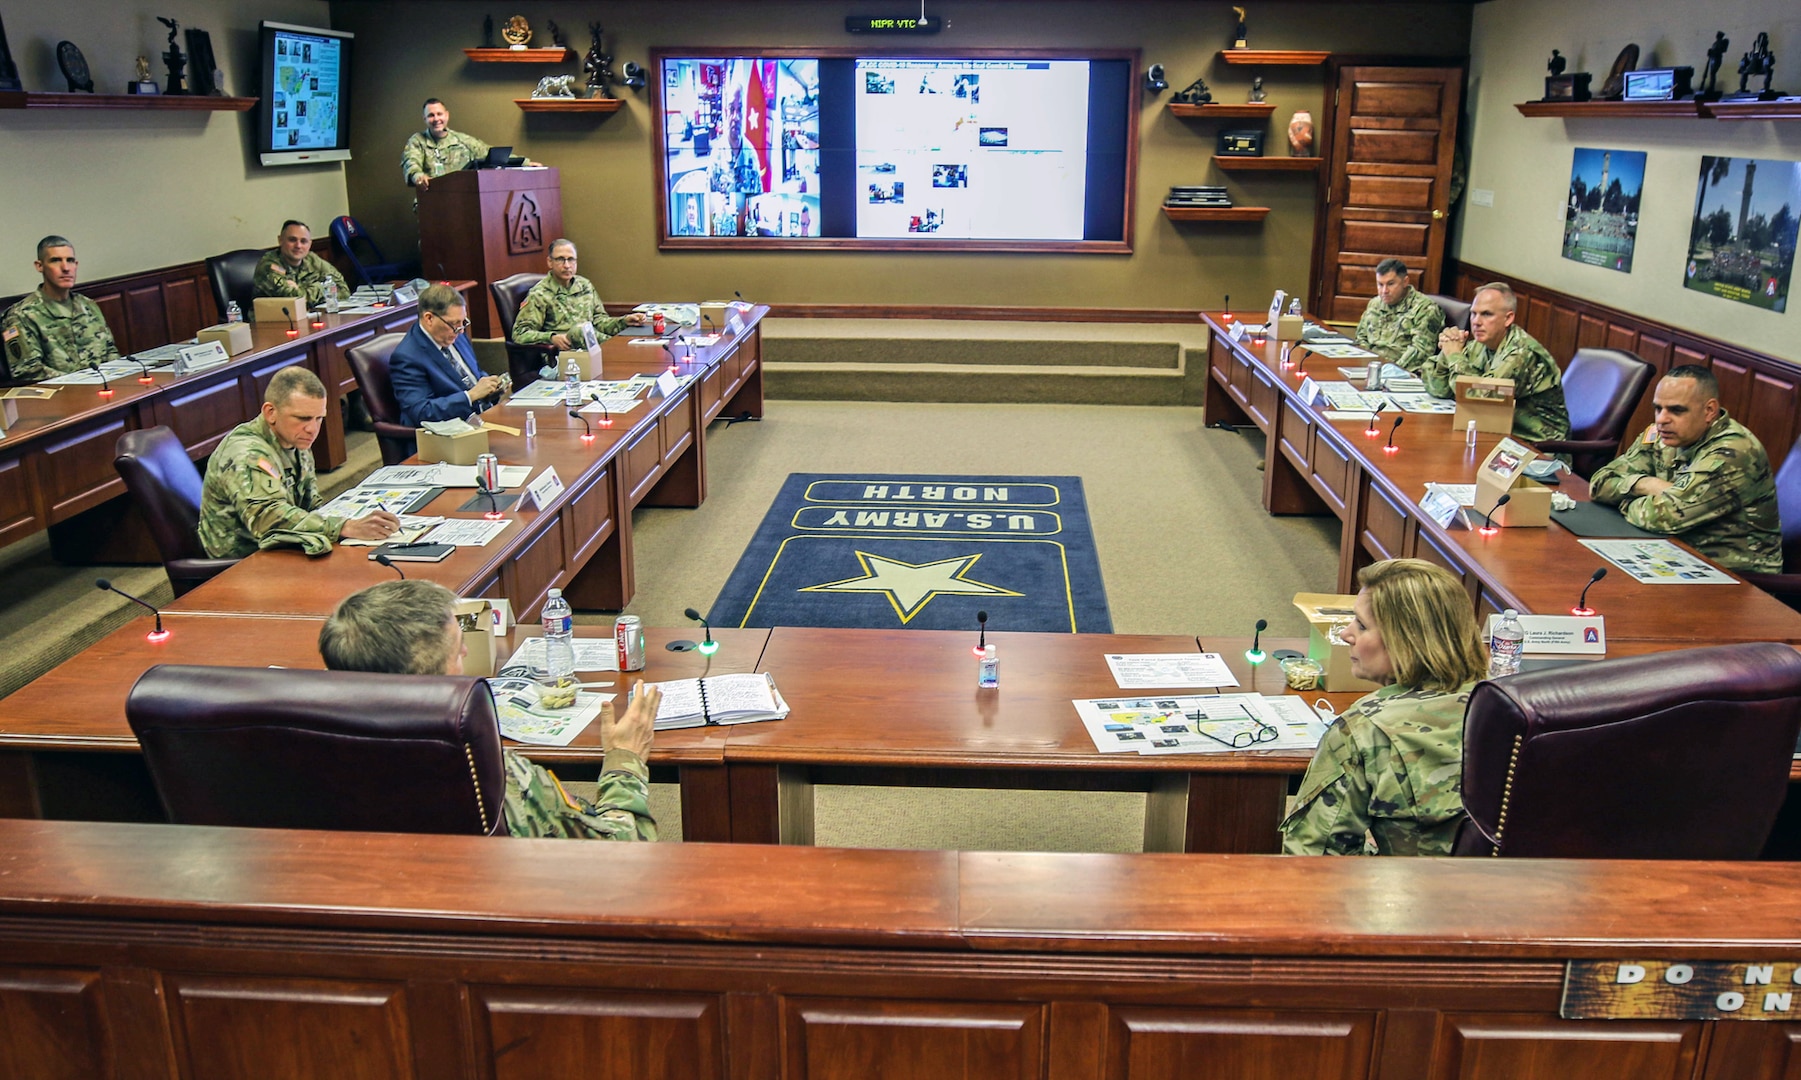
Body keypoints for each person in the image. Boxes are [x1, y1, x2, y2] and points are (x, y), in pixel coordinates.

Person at [318, 579, 661, 840]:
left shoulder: (304, 750)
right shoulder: (490, 774)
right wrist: (624, 761)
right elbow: (619, 852)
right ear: (430, 679)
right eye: (457, 651)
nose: (466, 655)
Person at [1280, 558, 1488, 856]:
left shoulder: (1365, 729)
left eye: (1362, 625)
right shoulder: (1511, 705)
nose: (1345, 634)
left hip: (1406, 897)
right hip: (1521, 890)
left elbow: (1314, 859)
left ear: (1407, 641)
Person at [1589, 365, 1781, 574]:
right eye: (1658, 408)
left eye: (1676, 410)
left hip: (1735, 578)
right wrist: (1646, 484)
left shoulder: (1733, 452)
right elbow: (1600, 483)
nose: (1661, 419)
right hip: (1675, 555)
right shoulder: (1662, 436)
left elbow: (1664, 517)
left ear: (1709, 411)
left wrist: (1623, 501)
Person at [198, 366, 400, 557]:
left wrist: (351, 518)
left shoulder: (294, 438)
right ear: (271, 413)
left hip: (285, 545)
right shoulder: (247, 454)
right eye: (303, 418)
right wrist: (345, 526)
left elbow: (310, 505)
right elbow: (267, 517)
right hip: (244, 562)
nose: (312, 429)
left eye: (318, 418)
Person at [1421, 282, 1570, 444]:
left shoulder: (1522, 354)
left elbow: (1478, 401)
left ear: (1508, 318)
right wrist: (1446, 352)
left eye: (1486, 314)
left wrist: (1455, 355)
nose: (1476, 322)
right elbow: (1437, 389)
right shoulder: (1480, 344)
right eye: (1473, 314)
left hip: (1536, 448)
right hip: (1495, 435)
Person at [2, 235, 121, 381]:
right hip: (60, 397)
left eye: (70, 261)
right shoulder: (21, 316)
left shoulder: (88, 305)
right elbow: (29, 372)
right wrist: (83, 383)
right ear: (39, 266)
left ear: (76, 264)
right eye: (55, 260)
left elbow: (110, 352)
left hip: (105, 391)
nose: (65, 268)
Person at [391, 284, 505, 427]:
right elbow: (421, 411)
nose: (461, 330)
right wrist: (470, 396)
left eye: (463, 322)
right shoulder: (407, 357)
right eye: (454, 323)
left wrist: (491, 387)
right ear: (429, 318)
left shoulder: (455, 334)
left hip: (483, 417)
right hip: (449, 433)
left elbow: (473, 374)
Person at [510, 239, 645, 350]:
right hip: (562, 355)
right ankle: (620, 350)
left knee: (584, 330)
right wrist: (551, 337)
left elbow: (599, 322)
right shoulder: (539, 294)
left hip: (592, 349)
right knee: (579, 331)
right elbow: (519, 334)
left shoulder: (584, 285)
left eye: (571, 259)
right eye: (560, 259)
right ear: (549, 262)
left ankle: (620, 350)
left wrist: (624, 321)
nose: (567, 265)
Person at [1354, 258, 1444, 373]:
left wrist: (1392, 371)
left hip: (1401, 371)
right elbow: (1361, 338)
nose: (1384, 291)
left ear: (1405, 282)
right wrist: (1367, 365)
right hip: (1371, 368)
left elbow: (1420, 351)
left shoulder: (1425, 309)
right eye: (1380, 284)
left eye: (1390, 284)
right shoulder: (1375, 303)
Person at [252, 220, 349, 307]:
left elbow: (344, 291)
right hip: (271, 322)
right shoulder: (270, 265)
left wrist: (303, 289)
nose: (298, 246)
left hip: (308, 316)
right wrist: (322, 287)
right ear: (280, 240)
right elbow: (295, 300)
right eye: (292, 240)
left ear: (310, 244)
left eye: (303, 241)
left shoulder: (312, 259)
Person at [401, 99, 490, 194]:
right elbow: (411, 163)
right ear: (424, 118)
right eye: (431, 115)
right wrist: (419, 177)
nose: (436, 119)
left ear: (447, 115)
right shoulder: (417, 141)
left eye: (439, 114)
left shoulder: (464, 141)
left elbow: (491, 155)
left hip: (461, 200)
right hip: (430, 199)